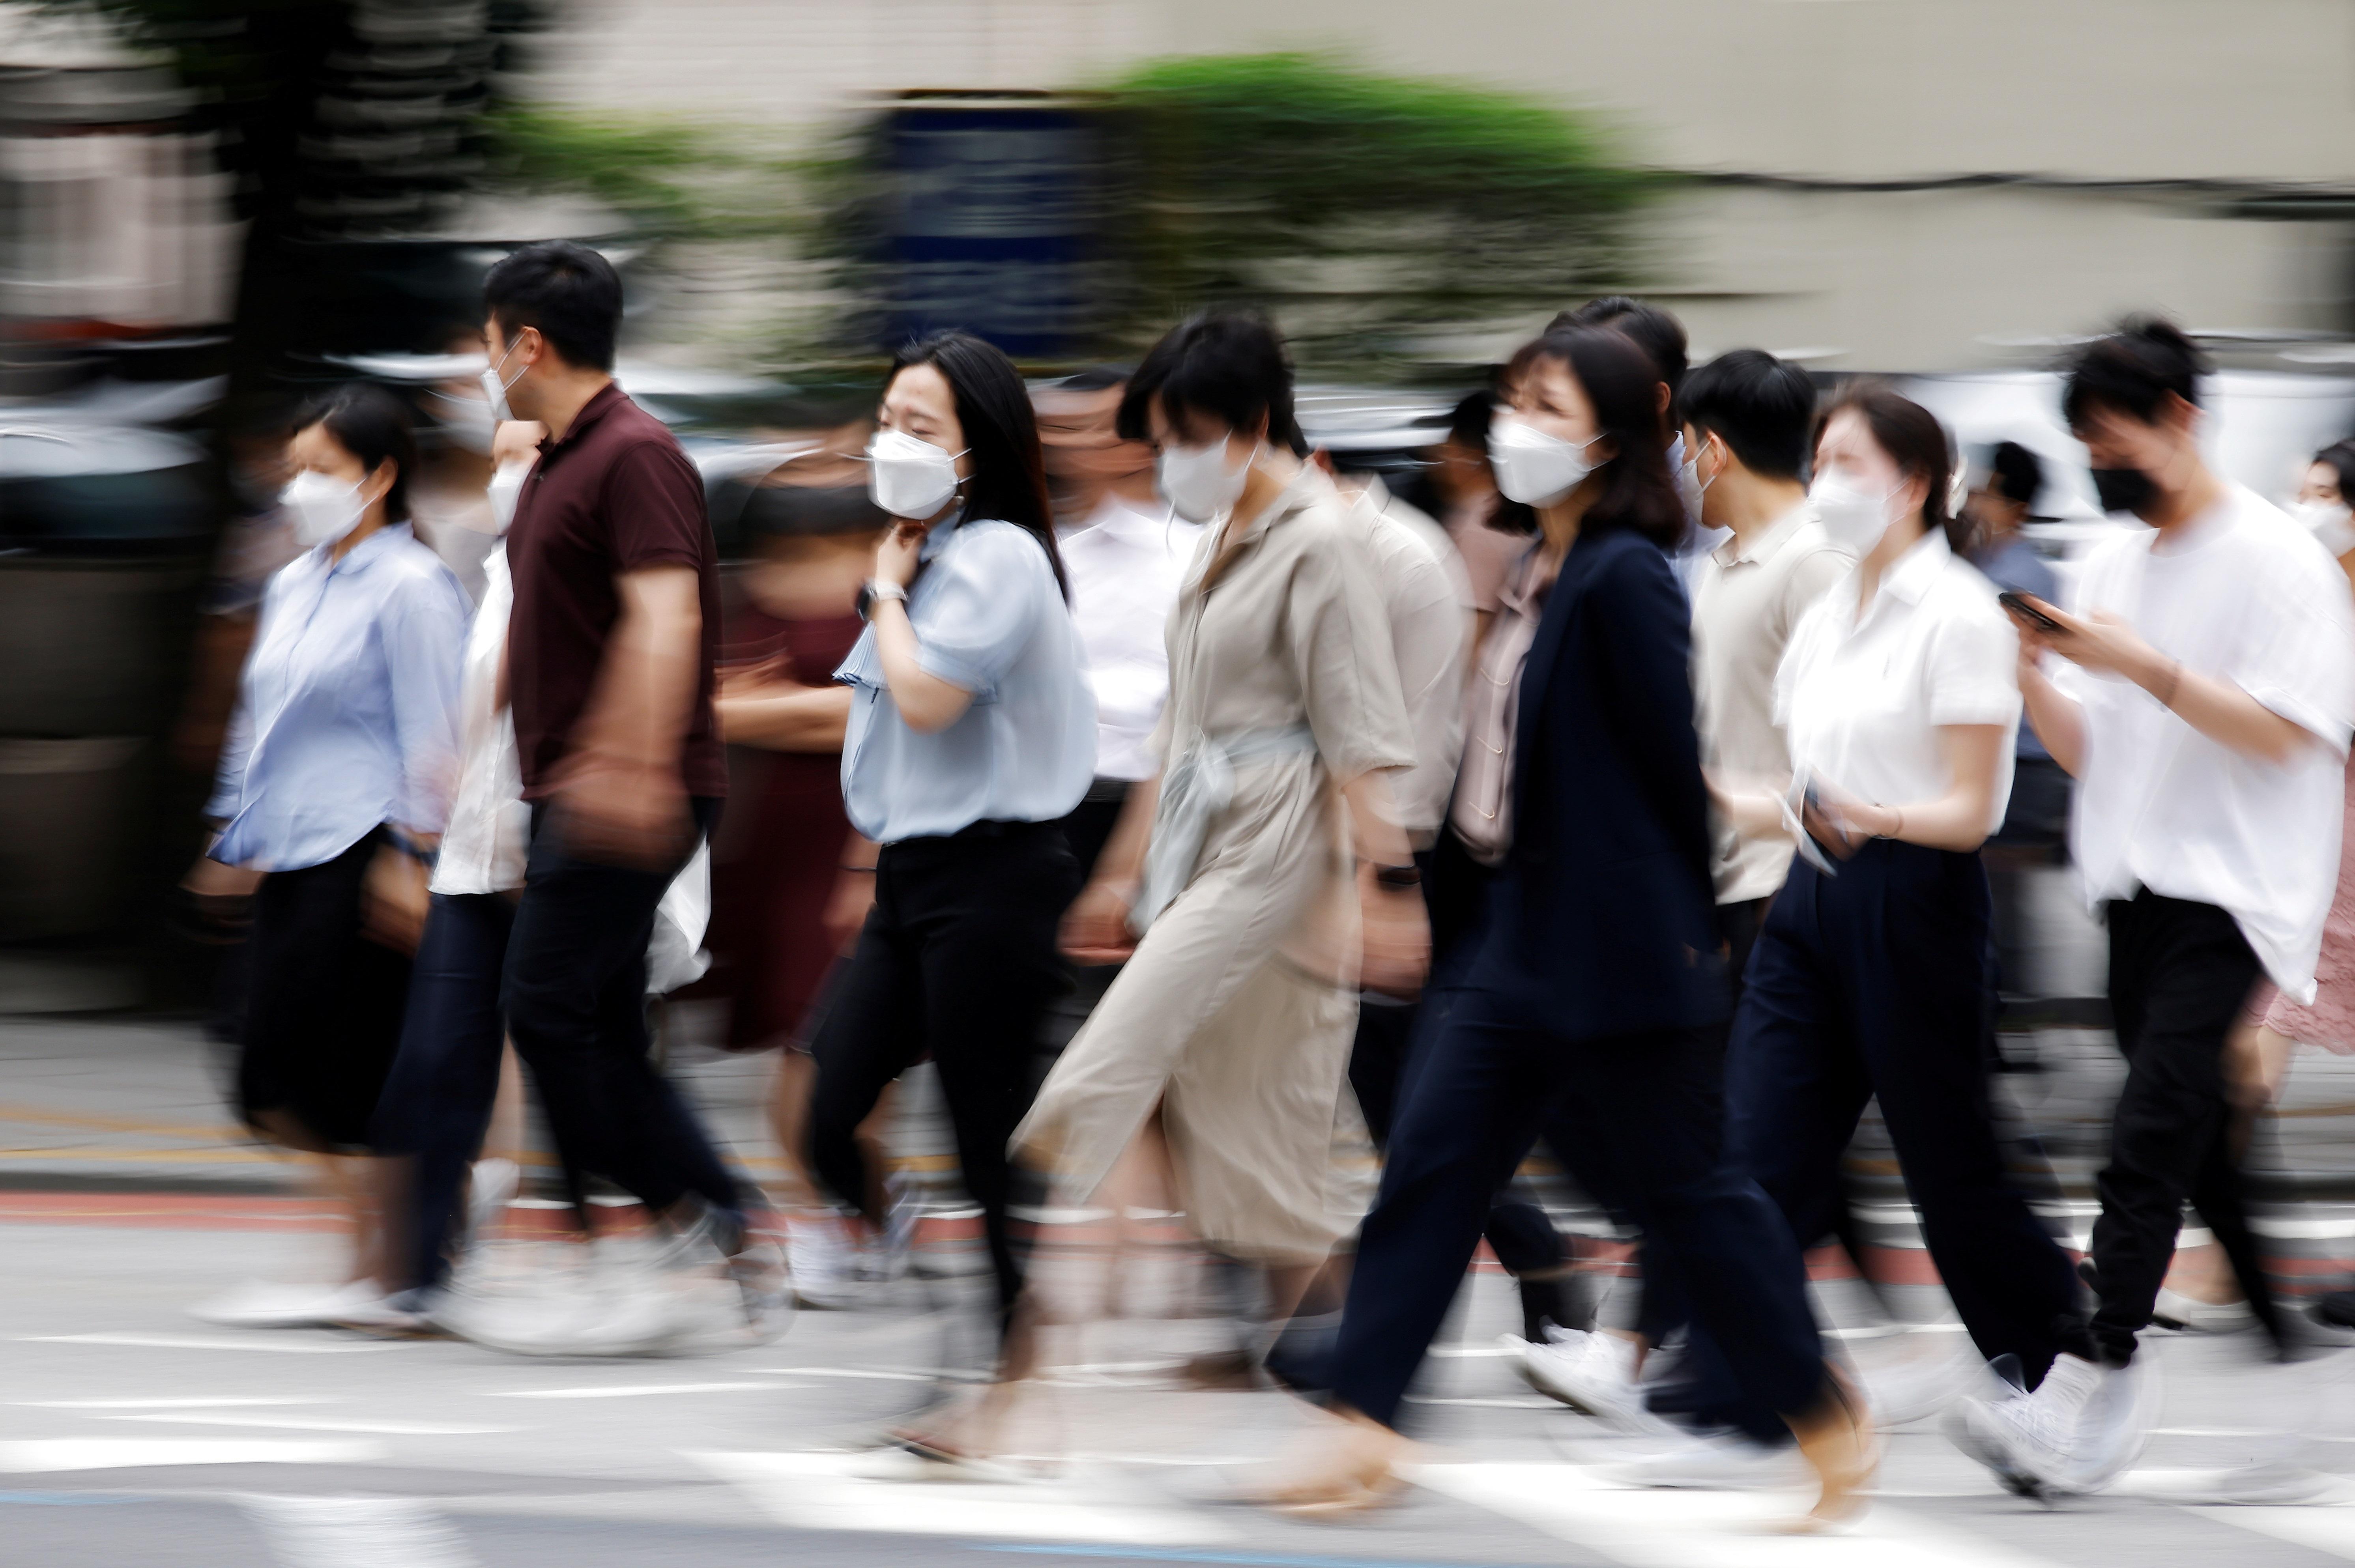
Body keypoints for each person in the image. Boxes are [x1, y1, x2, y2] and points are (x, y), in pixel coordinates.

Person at [1254, 325, 1871, 1528]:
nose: (1513, 422)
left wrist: (1697, 942)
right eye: (1512, 399)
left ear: (1607, 435)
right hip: (1513, 944)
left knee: (1695, 1196)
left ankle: (1826, 1415)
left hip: (1621, 960)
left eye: (1545, 403)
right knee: (1428, 1174)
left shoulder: (1625, 575)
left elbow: (1662, 772)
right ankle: (1364, 1428)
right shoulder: (1542, 564)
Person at [1953, 319, 2355, 1495]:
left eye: (2116, 434)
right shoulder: (2111, 563)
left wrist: (2137, 664)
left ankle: (2084, 1387)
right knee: (2197, 1152)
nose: (2100, 459)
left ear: (2183, 416)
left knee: (2142, 1142)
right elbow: (2096, 749)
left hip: (2236, 899)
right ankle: (2301, 1379)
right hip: (2131, 887)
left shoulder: (2276, 559)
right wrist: (2035, 667)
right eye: (2083, 440)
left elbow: (2290, 733)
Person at [1018, 309, 1427, 1386]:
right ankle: (1327, 1336)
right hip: (1212, 829)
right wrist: (1123, 868)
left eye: (1180, 436)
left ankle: (1029, 1357)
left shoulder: (1323, 538)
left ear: (1250, 424)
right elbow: (1178, 726)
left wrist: (1381, 884)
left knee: (1117, 1052)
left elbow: (1361, 727)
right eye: (1158, 440)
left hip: (1281, 836)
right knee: (1254, 1090)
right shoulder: (1223, 537)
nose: (1166, 462)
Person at [1683, 383, 2080, 1474]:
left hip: (1917, 898)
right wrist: (1722, 794)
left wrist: (1874, 819)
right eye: (1820, 459)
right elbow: (1805, 785)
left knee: (1950, 1169)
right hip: (1811, 897)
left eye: (1848, 461)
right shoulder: (1827, 616)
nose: (1824, 480)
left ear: (1911, 483)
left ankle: (2059, 1355)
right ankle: (1740, 1392)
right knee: (1758, 1146)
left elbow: (1973, 807)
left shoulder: (1956, 611)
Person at [1508, 348, 1849, 1420]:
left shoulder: (1807, 561)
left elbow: (1830, 737)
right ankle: (1667, 1353)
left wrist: (1752, 817)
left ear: (1704, 442)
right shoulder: (1724, 564)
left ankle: (1693, 1365)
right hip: (1733, 872)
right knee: (1726, 1143)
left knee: (1735, 1143)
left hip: (1789, 879)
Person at [484, 240, 775, 1328]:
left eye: (487, 342)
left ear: (527, 342)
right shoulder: (567, 456)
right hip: (578, 781)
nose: (484, 365)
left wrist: (629, 767)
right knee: (596, 1026)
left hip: (627, 783)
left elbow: (666, 616)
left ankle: (680, 1231)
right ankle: (721, 1231)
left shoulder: (635, 452)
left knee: (547, 1009)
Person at [803, 329, 1095, 1348]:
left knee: (981, 1129)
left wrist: (882, 590)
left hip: (997, 873)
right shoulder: (931, 554)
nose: (892, 440)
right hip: (912, 875)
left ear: (981, 445)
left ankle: (1014, 1347)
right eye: (885, 420)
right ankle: (946, 1290)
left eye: (919, 425)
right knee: (826, 1108)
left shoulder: (997, 555)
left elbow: (924, 698)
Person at [189, 384, 468, 1328]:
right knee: (262, 1066)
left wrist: (413, 855)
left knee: (350, 1066)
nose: (297, 486)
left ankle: (390, 1267)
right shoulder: (292, 579)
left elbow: (438, 732)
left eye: (322, 469)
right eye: (292, 468)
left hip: (363, 848)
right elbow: (256, 719)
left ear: (381, 476)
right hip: (286, 846)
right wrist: (230, 829)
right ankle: (384, 1256)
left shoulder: (411, 584)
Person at [348, 416, 545, 1337]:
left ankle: (707, 1223)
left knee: (570, 1048)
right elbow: (454, 718)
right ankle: (427, 1267)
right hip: (472, 840)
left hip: (557, 839)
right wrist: (413, 846)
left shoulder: (559, 557)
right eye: (498, 457)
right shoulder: (486, 557)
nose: (504, 473)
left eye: (521, 459)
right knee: (443, 1051)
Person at [699, 443, 879, 1311]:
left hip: (854, 838)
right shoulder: (741, 589)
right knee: (797, 1041)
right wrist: (778, 710)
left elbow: (874, 714)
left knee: (821, 1051)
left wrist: (753, 707)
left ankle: (828, 1222)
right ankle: (853, 1215)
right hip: (761, 845)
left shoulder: (890, 580)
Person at [1036, 367, 1206, 881]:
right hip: (1042, 807)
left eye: (1094, 425)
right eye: (1060, 428)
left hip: (1148, 812)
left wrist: (1125, 868)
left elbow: (1192, 718)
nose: (1073, 442)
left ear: (1146, 440)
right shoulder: (1043, 553)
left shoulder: (1195, 558)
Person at [1966, 441, 2072, 998]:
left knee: (1999, 887)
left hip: (2025, 760)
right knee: (1996, 890)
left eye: (1986, 494)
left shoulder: (2019, 577)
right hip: (2010, 753)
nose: (1974, 503)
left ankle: (2011, 1003)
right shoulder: (1988, 565)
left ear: (2018, 508)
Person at [1393, 391, 1536, 649]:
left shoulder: (1477, 527)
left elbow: (1471, 632)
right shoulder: (1501, 512)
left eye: (1450, 446)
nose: (1440, 458)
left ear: (1473, 458)